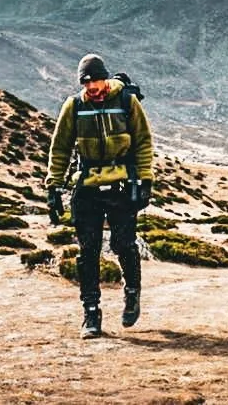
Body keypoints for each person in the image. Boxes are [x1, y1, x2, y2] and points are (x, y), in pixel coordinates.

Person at [45, 53, 155, 340]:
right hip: (87, 186)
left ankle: (132, 292)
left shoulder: (126, 102)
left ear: (105, 79)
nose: (92, 87)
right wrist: (53, 187)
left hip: (121, 185)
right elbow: (60, 148)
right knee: (88, 251)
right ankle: (91, 314)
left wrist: (145, 181)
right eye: (86, 83)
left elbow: (143, 141)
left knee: (123, 244)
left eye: (95, 81)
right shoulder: (75, 106)